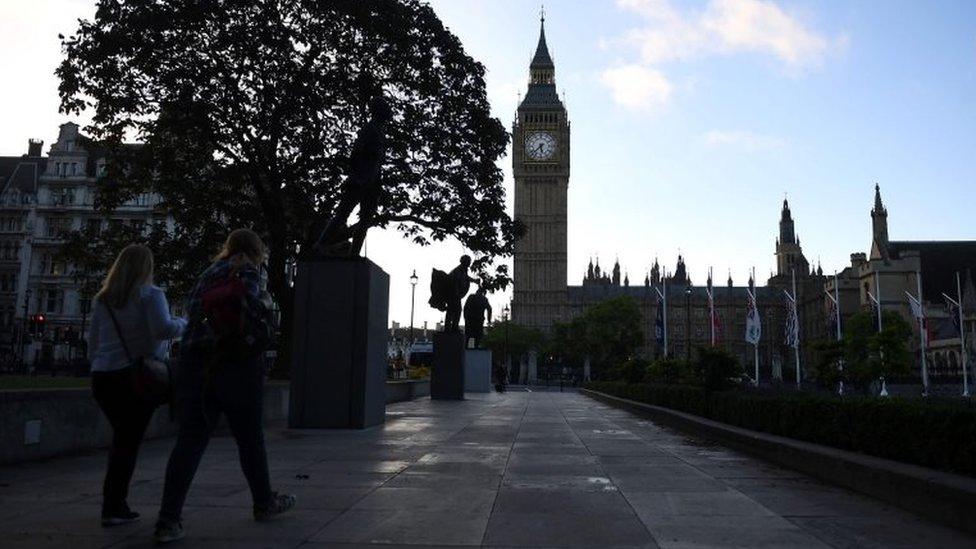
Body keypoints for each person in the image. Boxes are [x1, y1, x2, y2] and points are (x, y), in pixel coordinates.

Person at [154, 229, 295, 543]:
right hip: (236, 363)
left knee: (190, 442)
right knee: (250, 440)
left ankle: (168, 520)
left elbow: (192, 313)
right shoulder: (248, 270)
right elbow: (255, 312)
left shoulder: (208, 273)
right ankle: (264, 502)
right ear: (257, 251)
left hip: (195, 363)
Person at [88, 244, 186, 527]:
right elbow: (163, 329)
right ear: (147, 267)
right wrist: (185, 323)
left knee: (122, 440)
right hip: (135, 378)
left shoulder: (103, 299)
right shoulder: (151, 295)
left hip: (103, 376)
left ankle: (114, 503)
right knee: (127, 444)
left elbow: (93, 341)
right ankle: (114, 505)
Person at [444, 255, 473, 331]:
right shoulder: (458, 270)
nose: (470, 263)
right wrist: (457, 293)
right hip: (454, 295)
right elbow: (456, 281)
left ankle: (451, 327)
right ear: (464, 261)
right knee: (455, 311)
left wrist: (474, 280)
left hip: (455, 295)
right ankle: (452, 327)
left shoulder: (462, 270)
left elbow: (466, 278)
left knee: (453, 311)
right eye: (468, 261)